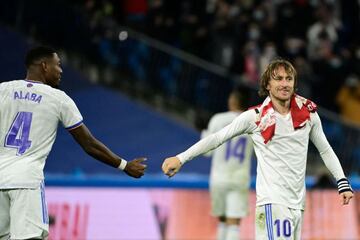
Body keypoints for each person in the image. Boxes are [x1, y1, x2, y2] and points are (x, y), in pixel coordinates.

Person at [162, 59, 353, 239]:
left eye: (289, 79)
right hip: (273, 203)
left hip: (298, 204)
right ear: (267, 85)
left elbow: (325, 150)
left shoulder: (308, 114)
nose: (284, 84)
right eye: (278, 79)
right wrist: (181, 158)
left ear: (295, 83)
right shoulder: (255, 117)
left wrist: (342, 181)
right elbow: (217, 138)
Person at [0, 46, 147, 239]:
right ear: (44, 66)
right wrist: (124, 165)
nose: (61, 70)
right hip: (26, 180)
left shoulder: (3, 90)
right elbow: (88, 144)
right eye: (58, 65)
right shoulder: (58, 99)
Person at [201, 89, 253, 240]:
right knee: (234, 223)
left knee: (222, 220)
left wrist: (204, 131)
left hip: (218, 178)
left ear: (233, 102)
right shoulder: (253, 121)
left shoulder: (217, 119)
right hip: (240, 178)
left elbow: (206, 152)